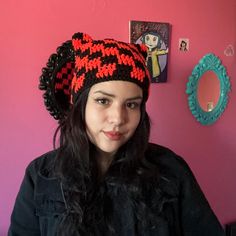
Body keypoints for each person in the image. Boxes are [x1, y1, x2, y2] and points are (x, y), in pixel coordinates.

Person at [8, 32, 225, 236]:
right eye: (103, 101)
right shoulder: (41, 176)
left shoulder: (171, 170)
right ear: (80, 105)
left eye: (131, 104)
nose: (118, 118)